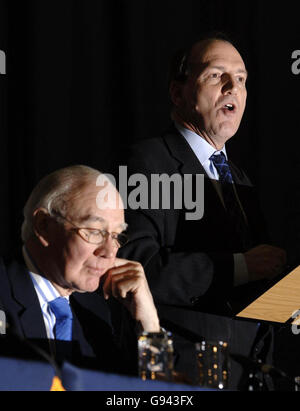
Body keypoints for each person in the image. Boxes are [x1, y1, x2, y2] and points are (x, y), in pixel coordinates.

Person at [118, 33, 287, 389]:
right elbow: (139, 268)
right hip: (182, 372)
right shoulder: (151, 161)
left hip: (249, 372)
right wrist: (239, 267)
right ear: (178, 93)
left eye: (241, 79)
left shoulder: (239, 179)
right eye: (216, 75)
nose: (233, 87)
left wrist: (288, 294)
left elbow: (257, 282)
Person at [0, 165, 160, 375]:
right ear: (43, 226)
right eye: (94, 232)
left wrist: (149, 324)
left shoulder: (96, 312)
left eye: (116, 236)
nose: (109, 252)